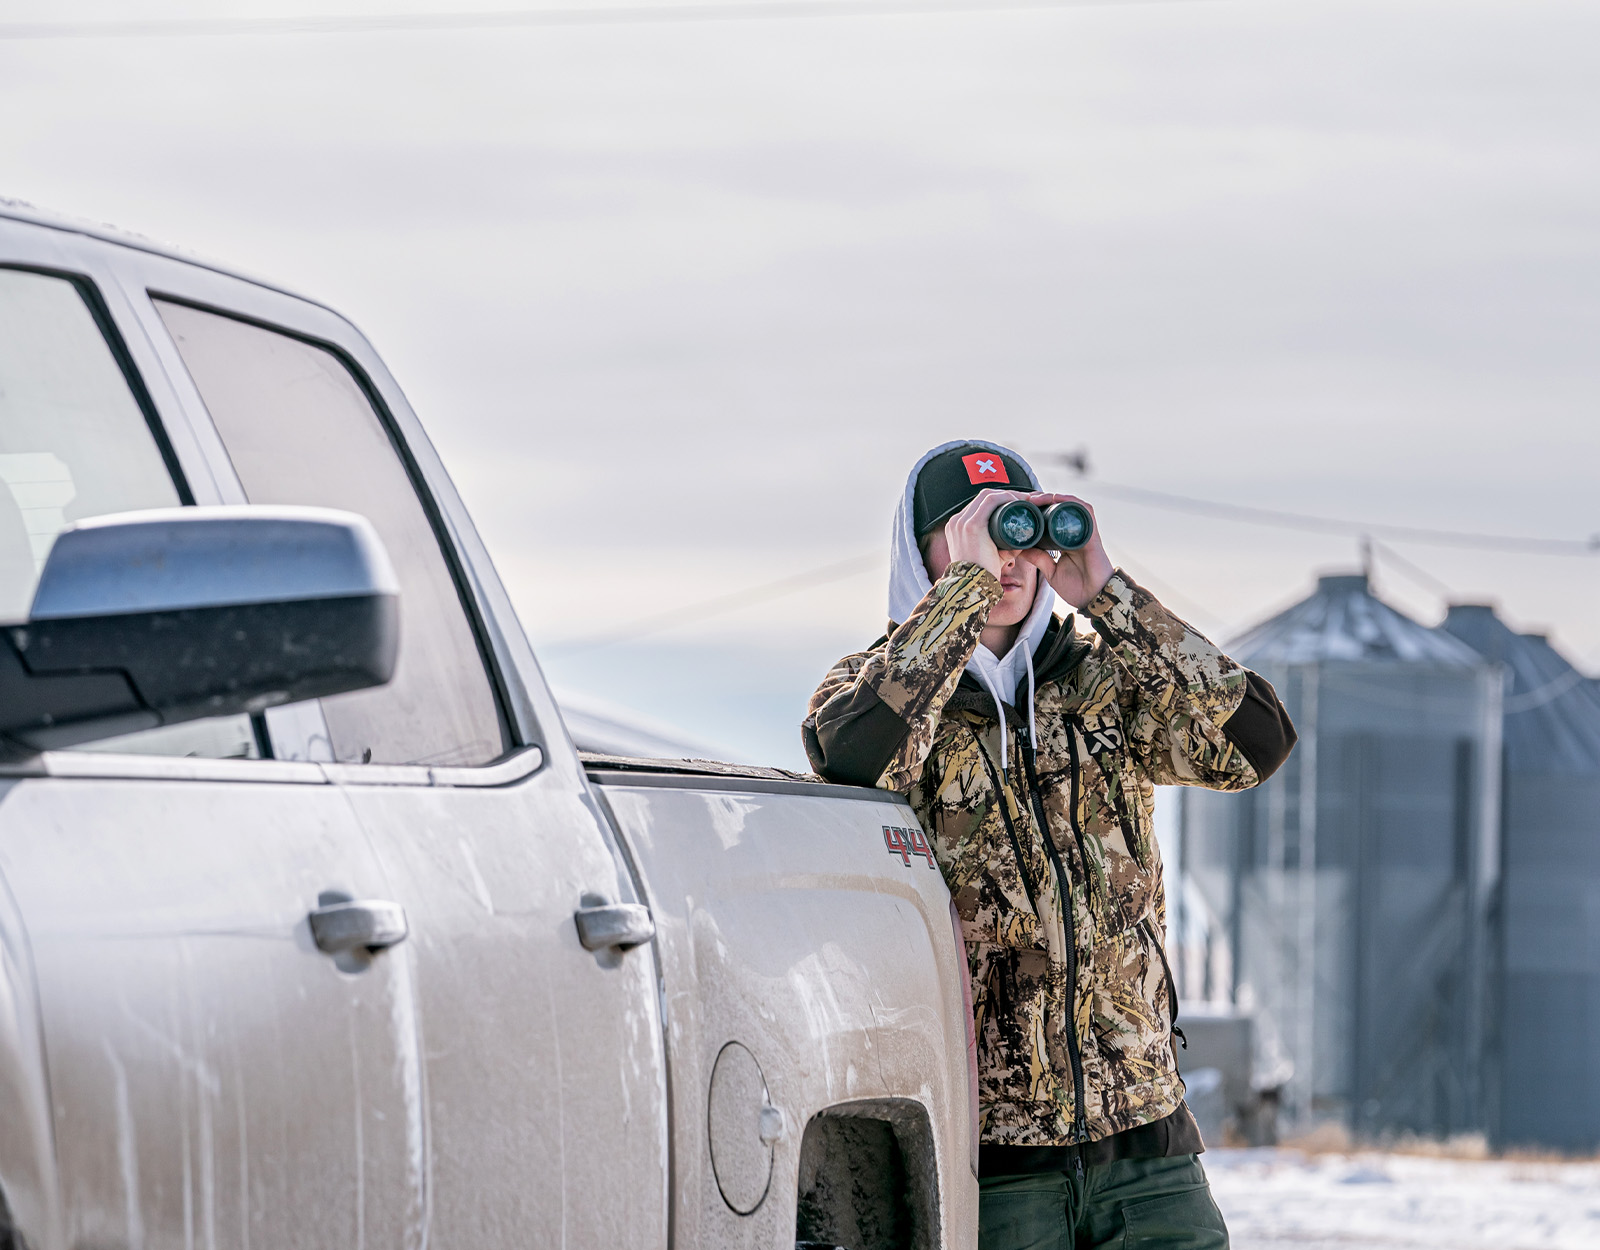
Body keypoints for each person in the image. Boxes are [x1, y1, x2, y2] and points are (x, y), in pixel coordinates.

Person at [803, 441, 1296, 1250]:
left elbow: (1257, 743)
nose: (1008, 560)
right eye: (977, 533)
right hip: (995, 1163)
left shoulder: (1104, 684)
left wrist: (1110, 596)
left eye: (1021, 533)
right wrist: (962, 597)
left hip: (1149, 1144)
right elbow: (856, 762)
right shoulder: (875, 693)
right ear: (920, 554)